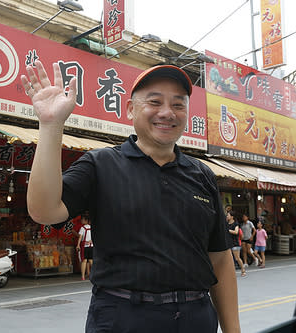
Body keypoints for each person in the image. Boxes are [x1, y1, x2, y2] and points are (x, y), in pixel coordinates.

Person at [22, 60, 240, 333]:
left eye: (177, 104)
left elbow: (219, 259)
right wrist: (51, 125)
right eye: (155, 102)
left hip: (195, 317)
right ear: (129, 110)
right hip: (122, 318)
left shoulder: (202, 175)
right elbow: (44, 211)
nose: (166, 113)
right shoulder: (99, 164)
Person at [226, 211, 246, 277]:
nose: (227, 216)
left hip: (235, 243)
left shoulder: (235, 224)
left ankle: (243, 270)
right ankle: (231, 272)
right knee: (229, 259)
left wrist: (228, 230)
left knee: (237, 258)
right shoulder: (227, 224)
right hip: (228, 243)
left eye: (228, 215)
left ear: (232, 217)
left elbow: (236, 232)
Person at [76, 213, 93, 280]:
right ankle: (94, 275)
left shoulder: (82, 228)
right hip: (91, 246)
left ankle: (83, 276)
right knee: (91, 261)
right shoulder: (92, 228)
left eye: (82, 219)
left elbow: (80, 237)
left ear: (85, 220)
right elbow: (95, 236)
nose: (81, 221)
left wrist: (78, 245)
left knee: (84, 261)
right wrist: (91, 241)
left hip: (85, 247)